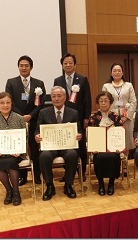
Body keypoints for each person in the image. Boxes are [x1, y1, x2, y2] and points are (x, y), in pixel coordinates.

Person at [35, 86, 82, 200]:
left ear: (65, 97)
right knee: (44, 156)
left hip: (67, 146)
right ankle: (50, 186)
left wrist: (79, 135)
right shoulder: (43, 112)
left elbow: (79, 130)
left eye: (59, 96)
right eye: (54, 96)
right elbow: (37, 130)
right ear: (51, 98)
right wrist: (37, 136)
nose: (56, 99)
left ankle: (68, 185)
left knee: (72, 155)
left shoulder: (73, 113)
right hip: (51, 146)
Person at [5, 55, 46, 186]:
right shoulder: (11, 82)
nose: (23, 68)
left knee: (35, 149)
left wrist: (31, 116)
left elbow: (41, 103)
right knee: (20, 149)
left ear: (31, 67)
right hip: (17, 121)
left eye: (26, 65)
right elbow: (9, 102)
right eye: (21, 65)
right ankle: (22, 176)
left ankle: (37, 175)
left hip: (34, 121)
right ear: (18, 67)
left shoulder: (39, 84)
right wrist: (21, 117)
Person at [54, 53, 92, 182]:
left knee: (81, 145)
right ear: (62, 65)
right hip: (63, 118)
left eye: (70, 62)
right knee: (66, 145)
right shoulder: (58, 80)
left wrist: (86, 117)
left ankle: (82, 173)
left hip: (79, 118)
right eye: (65, 63)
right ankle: (68, 172)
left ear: (75, 64)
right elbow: (57, 99)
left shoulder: (82, 79)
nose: (68, 65)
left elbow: (87, 99)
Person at [0, 92, 26, 206]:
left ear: (12, 104)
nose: (5, 105)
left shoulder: (19, 118)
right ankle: (9, 190)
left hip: (16, 153)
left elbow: (25, 136)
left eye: (8, 102)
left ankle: (16, 191)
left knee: (10, 162)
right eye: (2, 103)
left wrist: (20, 150)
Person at [102, 63, 137, 174]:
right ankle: (115, 164)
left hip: (126, 117)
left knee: (126, 140)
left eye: (119, 70)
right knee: (114, 140)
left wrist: (126, 117)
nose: (117, 72)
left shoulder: (129, 85)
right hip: (111, 118)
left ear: (122, 72)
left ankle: (125, 166)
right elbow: (104, 101)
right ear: (111, 73)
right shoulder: (106, 86)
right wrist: (112, 117)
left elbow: (133, 101)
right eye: (114, 70)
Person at [88, 91, 123, 196]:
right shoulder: (93, 118)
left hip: (113, 148)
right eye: (101, 101)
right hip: (98, 149)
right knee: (99, 157)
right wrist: (93, 148)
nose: (103, 103)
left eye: (106, 101)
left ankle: (111, 183)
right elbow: (91, 135)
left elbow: (120, 134)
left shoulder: (116, 117)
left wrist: (119, 147)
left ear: (110, 102)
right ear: (98, 103)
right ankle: (101, 184)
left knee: (113, 157)